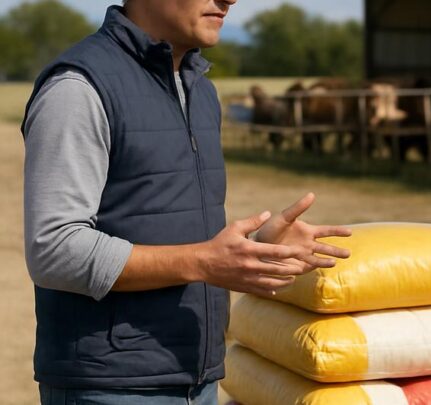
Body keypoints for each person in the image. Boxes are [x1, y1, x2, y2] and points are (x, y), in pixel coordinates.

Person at [21, 0, 351, 403]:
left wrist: (257, 249)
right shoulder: (78, 88)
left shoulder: (200, 89)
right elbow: (53, 249)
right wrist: (203, 261)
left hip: (199, 377)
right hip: (111, 387)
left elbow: (168, 228)